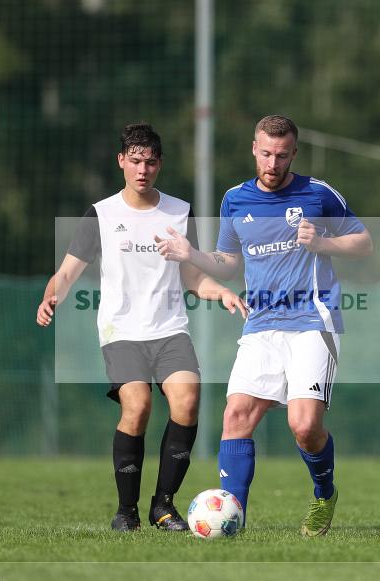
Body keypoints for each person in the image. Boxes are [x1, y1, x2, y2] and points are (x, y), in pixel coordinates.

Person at [155, 115, 372, 537]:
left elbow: (363, 242)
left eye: (282, 155)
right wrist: (189, 254)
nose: (273, 163)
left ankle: (324, 494)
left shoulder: (318, 193)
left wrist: (323, 242)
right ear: (254, 149)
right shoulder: (235, 199)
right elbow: (229, 263)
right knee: (236, 414)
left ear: (294, 153)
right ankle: (231, 519)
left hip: (314, 321)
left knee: (304, 426)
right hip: (261, 324)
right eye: (266, 153)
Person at [37, 123, 247, 532]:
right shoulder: (101, 214)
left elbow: (192, 278)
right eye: (135, 161)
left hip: (170, 329)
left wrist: (220, 292)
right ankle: (126, 511)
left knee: (187, 401)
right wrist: (51, 296)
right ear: (121, 161)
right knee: (139, 406)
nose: (142, 169)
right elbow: (65, 273)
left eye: (150, 162)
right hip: (122, 332)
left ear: (160, 164)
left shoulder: (180, 211)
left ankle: (163, 507)